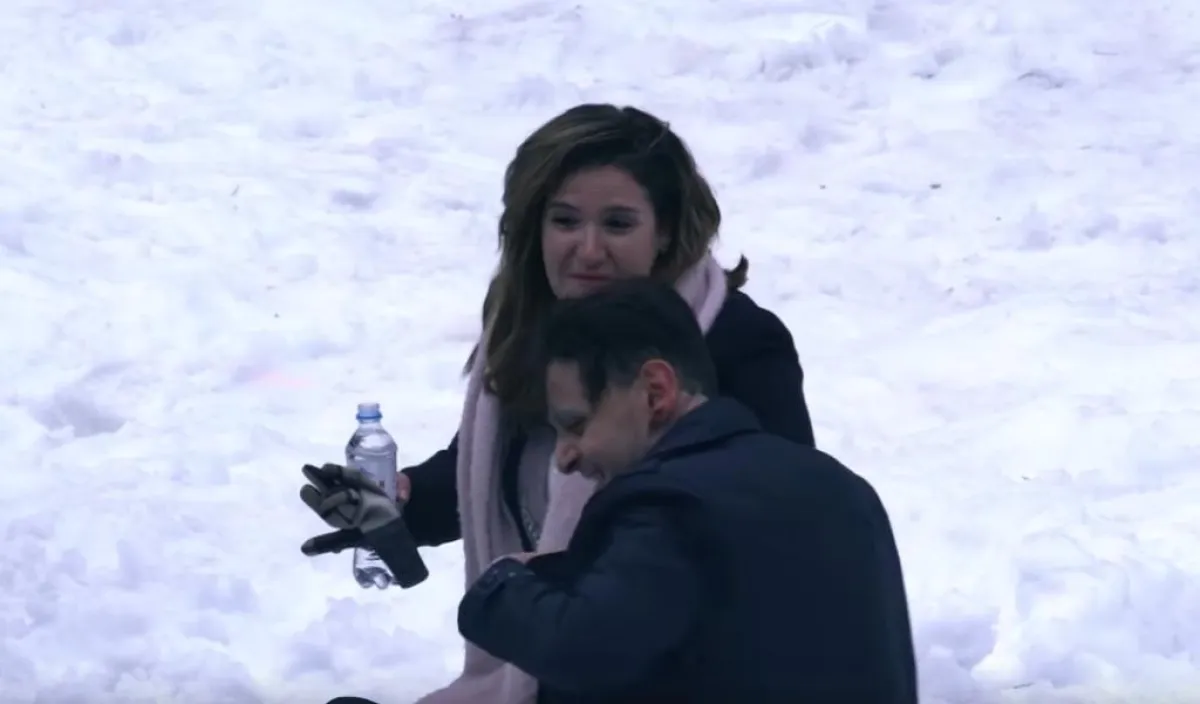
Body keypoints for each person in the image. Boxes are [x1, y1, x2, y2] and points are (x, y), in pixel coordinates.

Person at [340, 103, 815, 703]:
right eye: (565, 221)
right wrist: (400, 501)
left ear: (664, 230)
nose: (588, 251)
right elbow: (492, 473)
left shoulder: (734, 343)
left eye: (617, 224)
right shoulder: (532, 330)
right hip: (561, 657)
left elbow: (784, 533)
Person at [455, 277, 918, 703]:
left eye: (576, 425)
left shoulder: (670, 504)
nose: (564, 457)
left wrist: (504, 587)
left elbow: (587, 649)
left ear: (655, 392)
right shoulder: (845, 489)